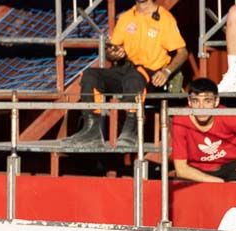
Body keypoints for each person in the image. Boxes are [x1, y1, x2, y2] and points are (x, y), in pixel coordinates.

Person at [61, 0, 188, 149]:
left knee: (135, 77)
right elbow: (112, 50)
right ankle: (91, 131)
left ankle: (131, 131)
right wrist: (114, 53)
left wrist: (166, 72)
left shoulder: (165, 18)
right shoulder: (126, 17)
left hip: (151, 74)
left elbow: (182, 52)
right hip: (125, 69)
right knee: (90, 75)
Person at [171, 78, 236, 183]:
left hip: (230, 165)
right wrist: (218, 182)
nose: (201, 107)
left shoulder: (227, 116)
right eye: (196, 101)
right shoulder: (181, 120)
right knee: (179, 189)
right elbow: (181, 170)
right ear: (189, 102)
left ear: (216, 101)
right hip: (195, 168)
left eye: (207, 101)